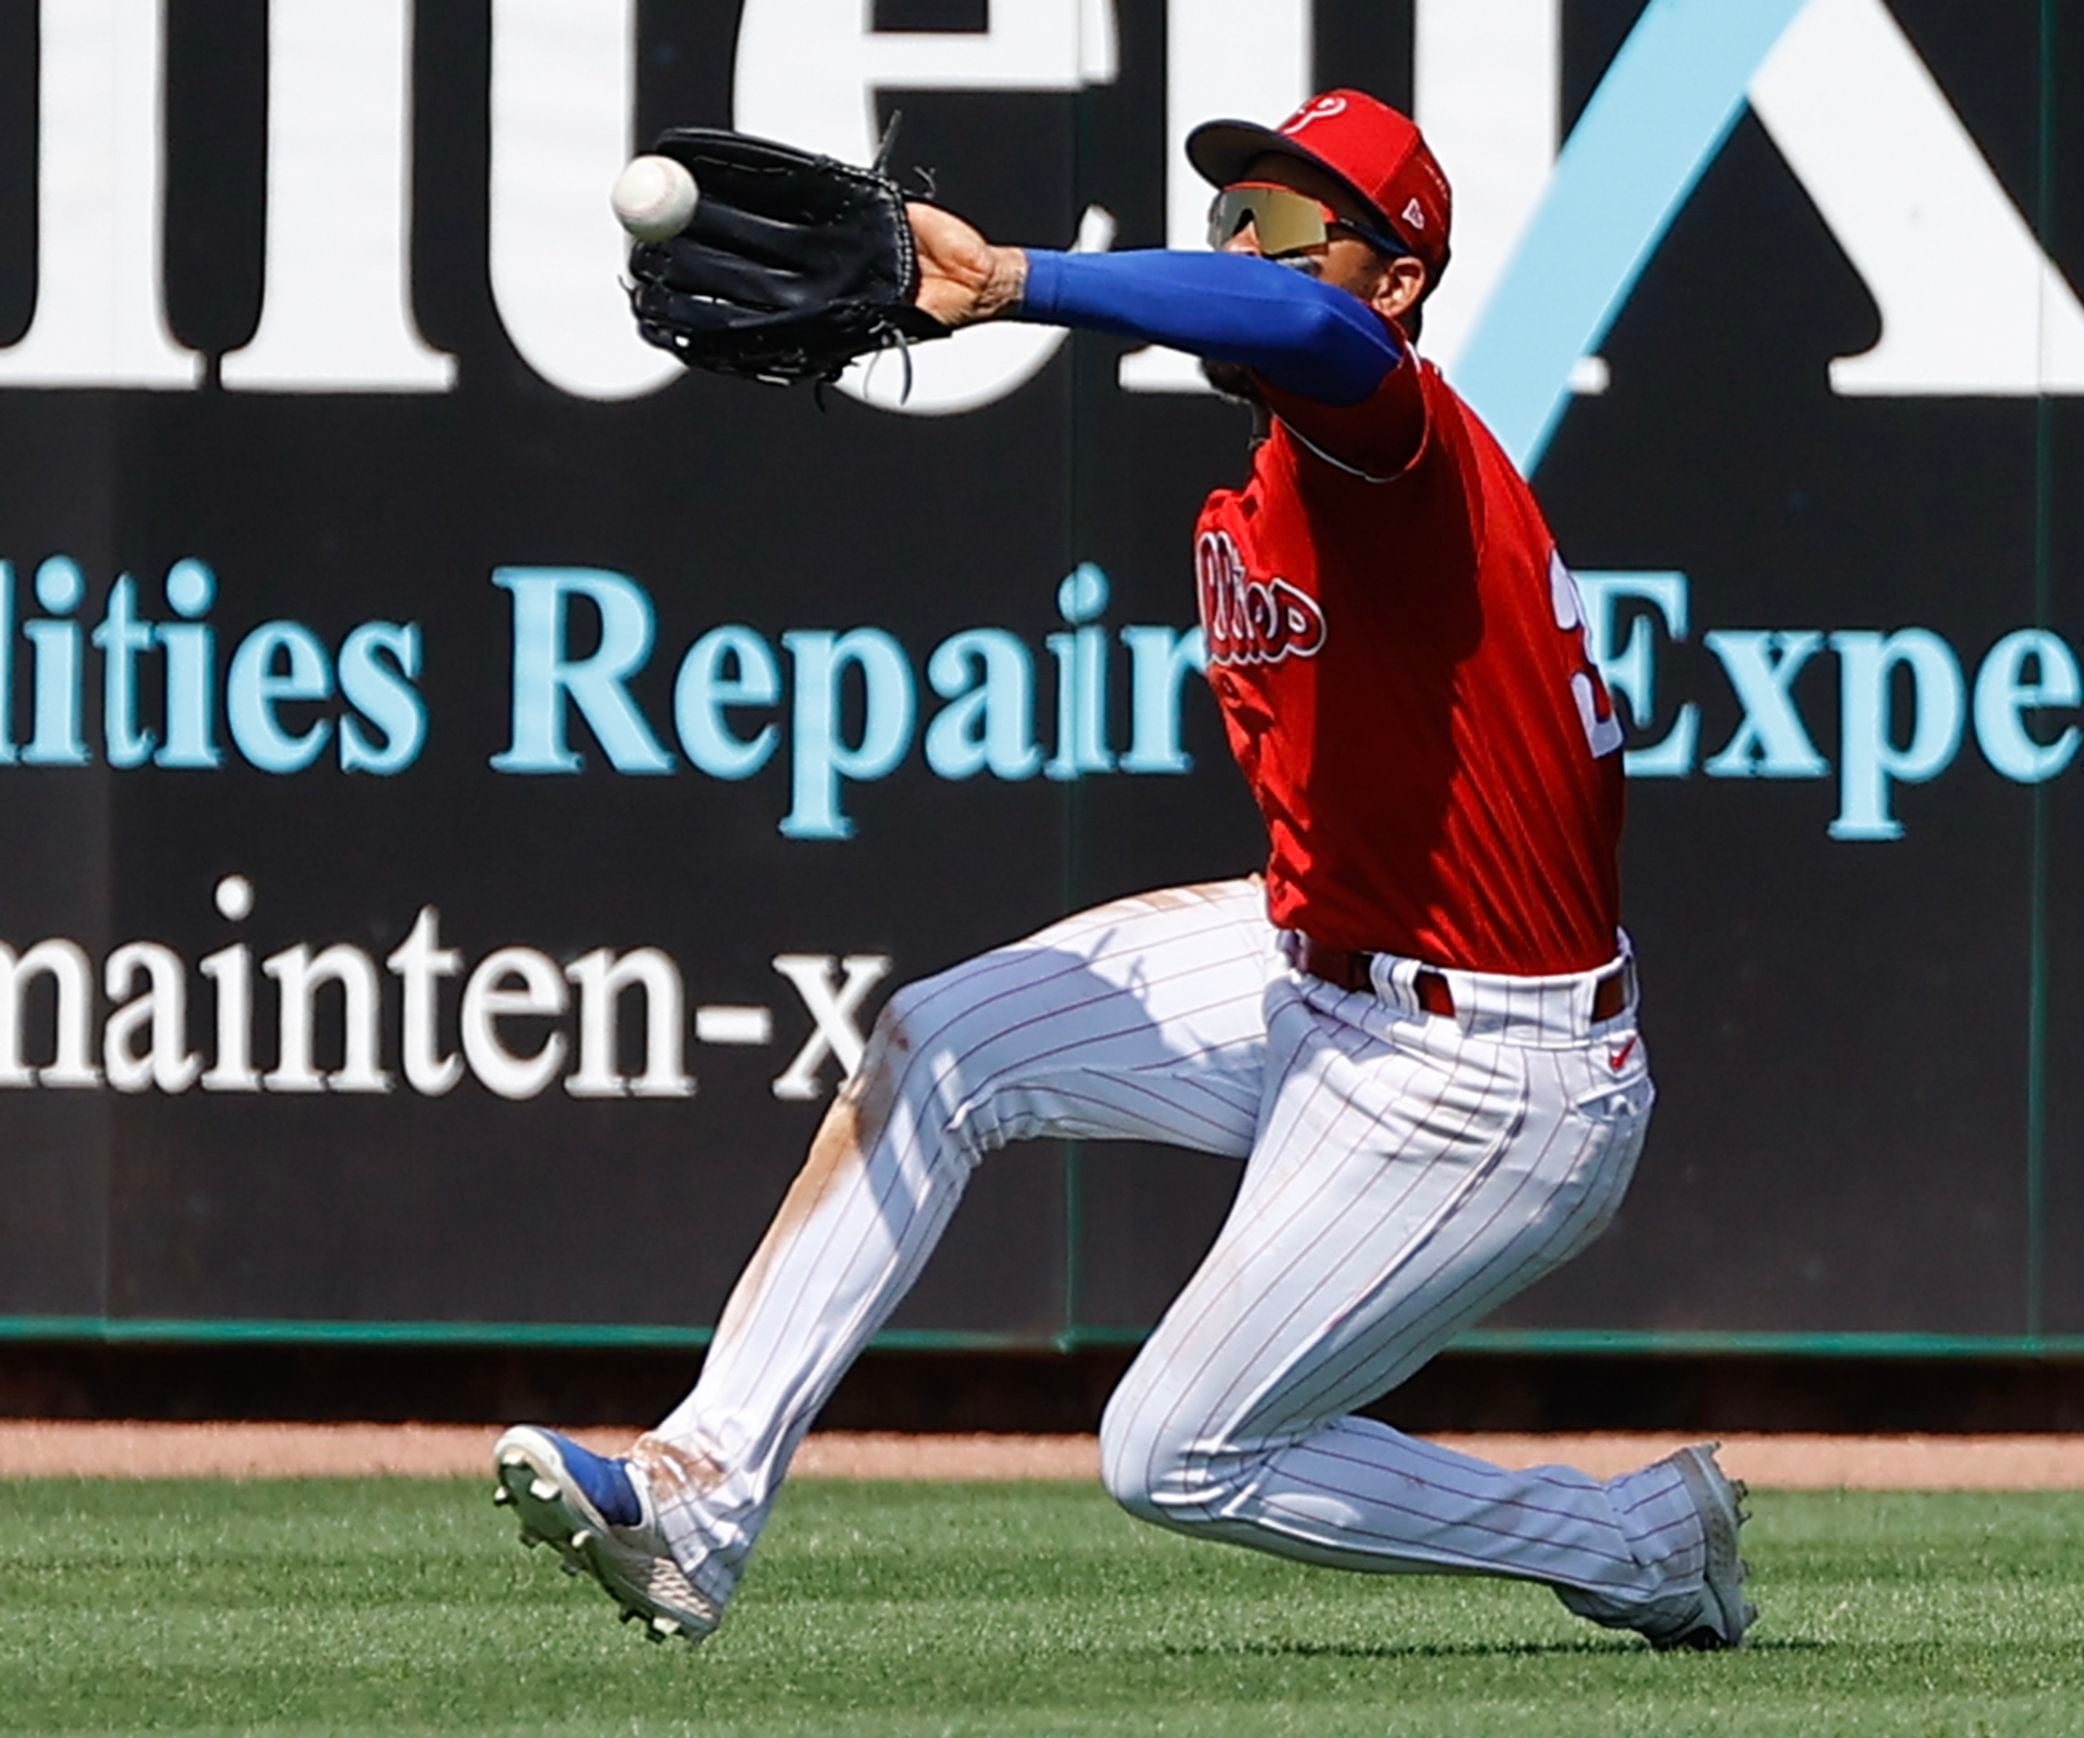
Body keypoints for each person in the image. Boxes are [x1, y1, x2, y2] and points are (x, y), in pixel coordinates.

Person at [493, 88, 1752, 1651]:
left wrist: (1024, 280)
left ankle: (1631, 1536)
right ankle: (695, 1495)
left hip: (1493, 1069)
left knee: (1172, 1452)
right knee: (941, 1046)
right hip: (1320, 961)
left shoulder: (1395, 441)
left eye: (1291, 225)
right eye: (1232, 213)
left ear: (1397, 279)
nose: (1242, 242)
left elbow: (1317, 340)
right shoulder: (1278, 478)